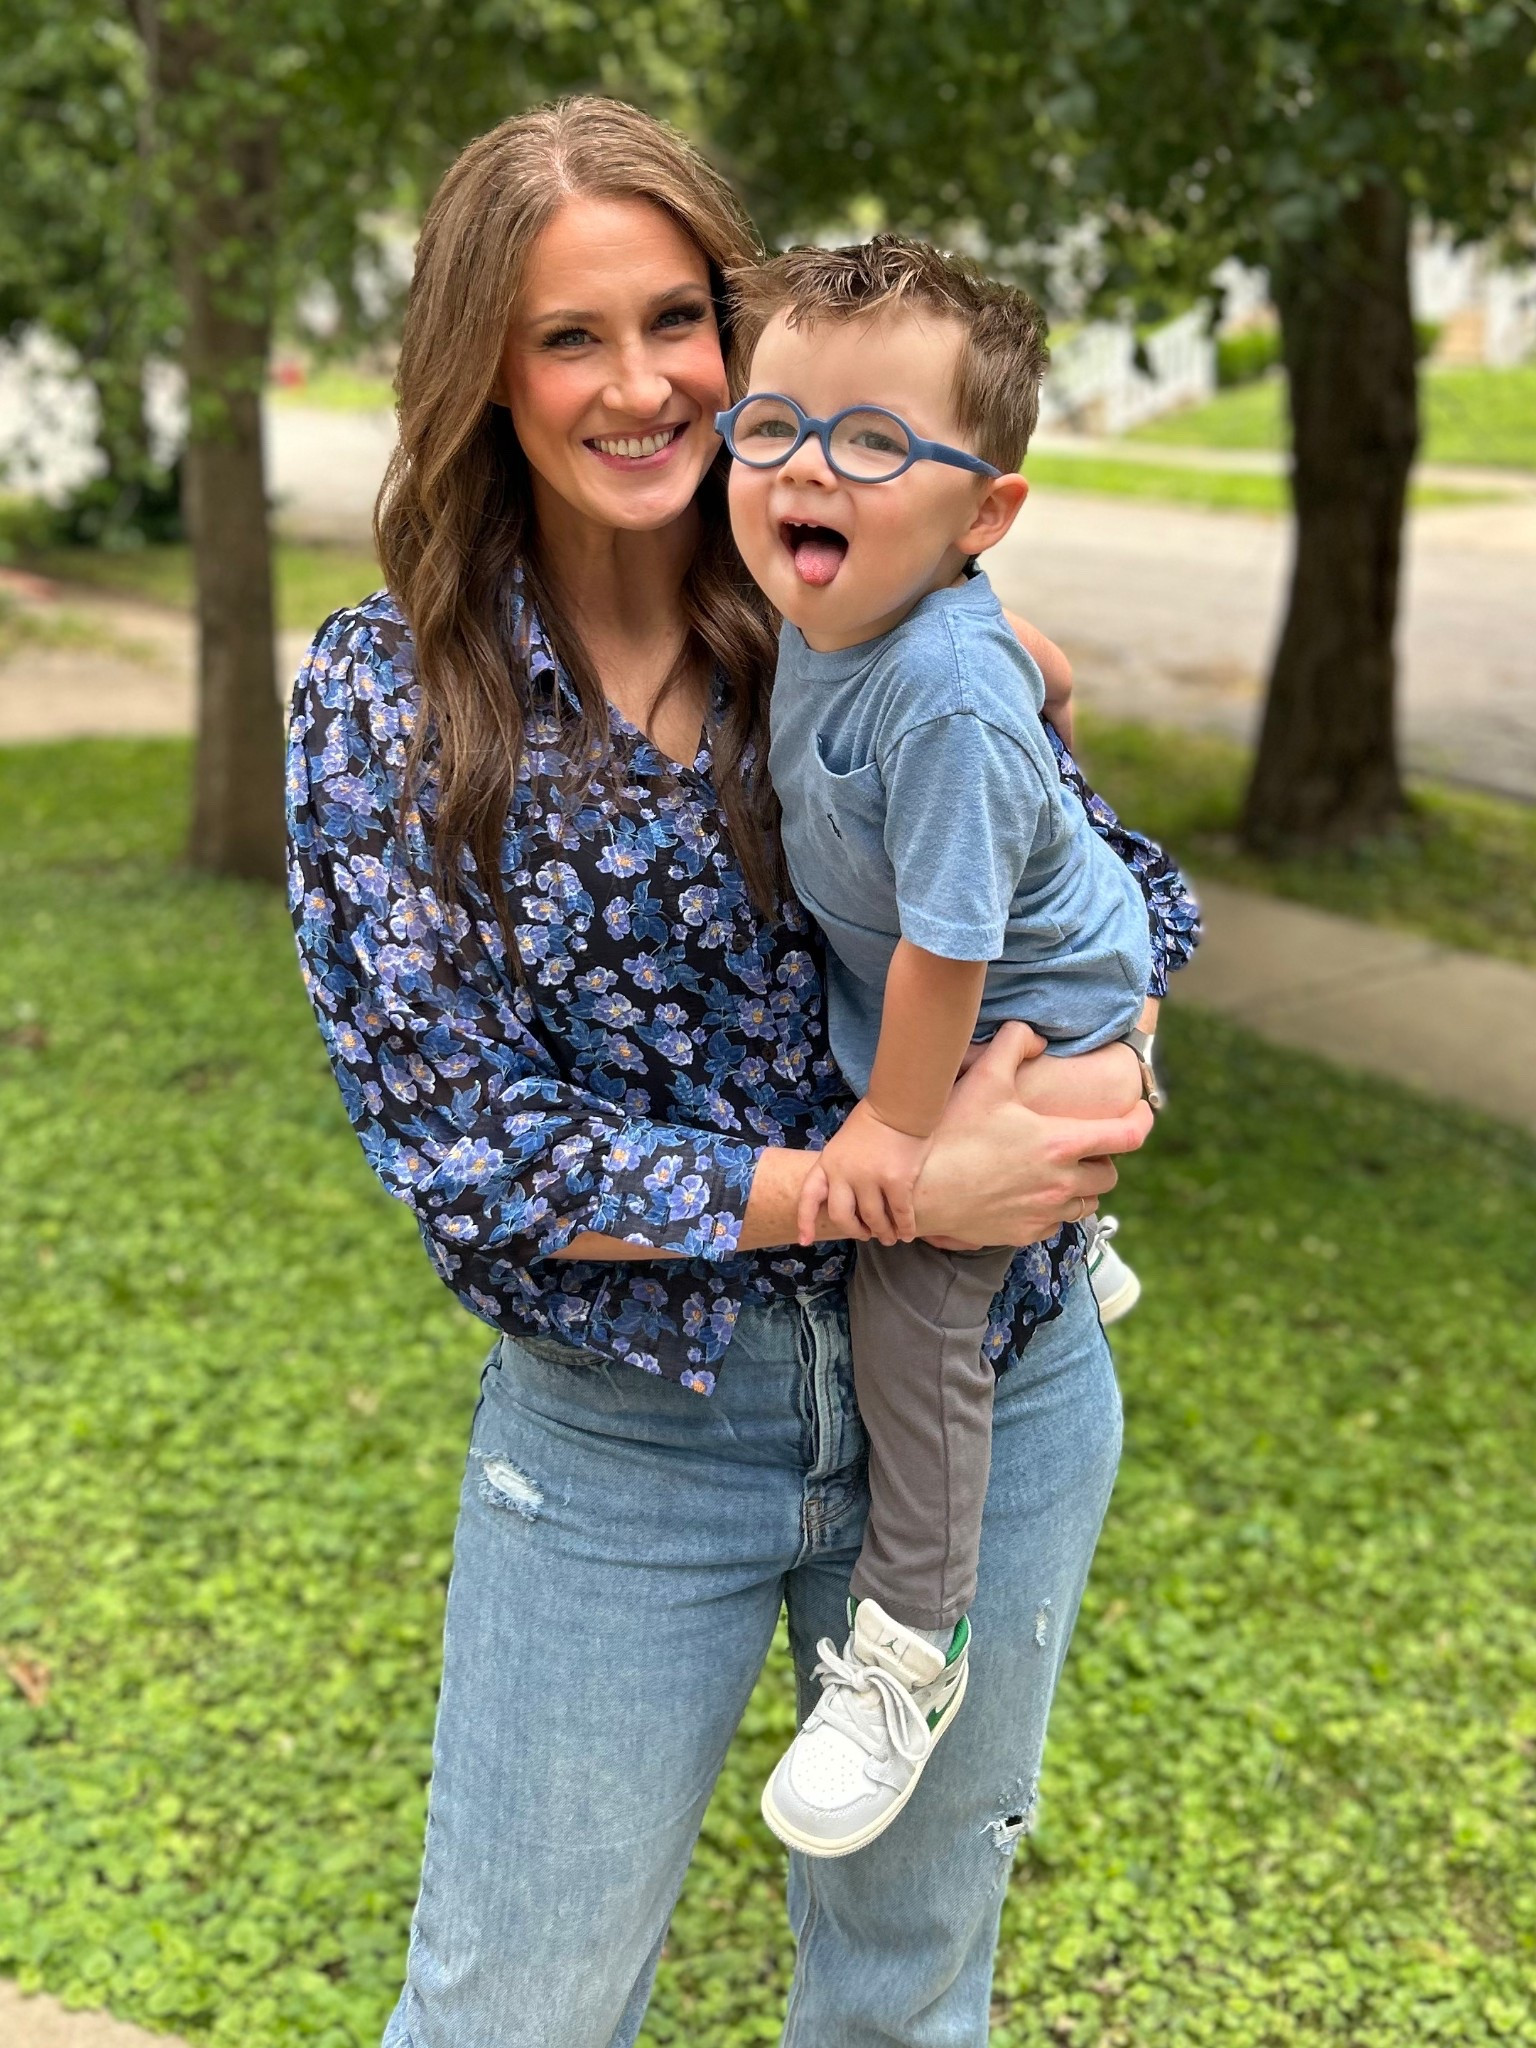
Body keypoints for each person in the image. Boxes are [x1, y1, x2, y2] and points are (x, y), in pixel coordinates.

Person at [285, 95, 1199, 2048]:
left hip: (989, 1391)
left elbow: (1107, 886)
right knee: (509, 2013)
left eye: (676, 320)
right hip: (633, 1435)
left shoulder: (859, 603)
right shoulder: (392, 699)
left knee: (903, 1995)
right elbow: (468, 1147)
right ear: (484, 373)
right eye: (569, 335)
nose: (642, 385)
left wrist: (1098, 1067)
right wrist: (898, 1181)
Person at [718, 235, 1182, 1861]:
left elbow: (948, 950)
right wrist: (1043, 672)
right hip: (991, 991)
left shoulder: (933, 699)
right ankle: (1075, 1240)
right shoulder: (843, 603)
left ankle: (914, 1640)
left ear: (982, 515)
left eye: (871, 442)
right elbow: (1031, 661)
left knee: (906, 1292)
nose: (805, 470)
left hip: (1028, 1010)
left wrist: (893, 1146)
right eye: (773, 427)